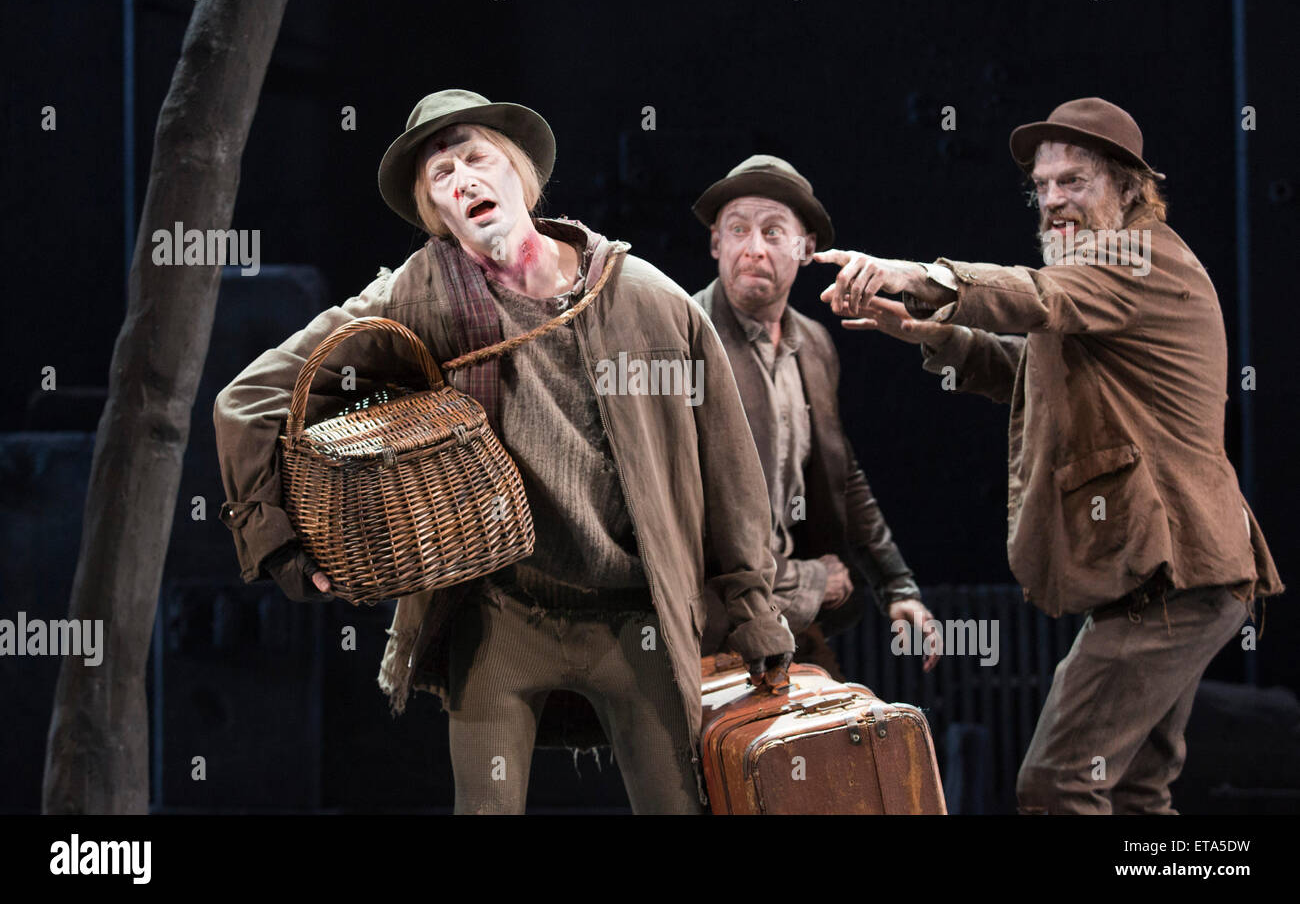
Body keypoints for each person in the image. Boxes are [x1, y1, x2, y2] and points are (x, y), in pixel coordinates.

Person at [213, 89, 794, 813]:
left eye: (475, 159)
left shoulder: (644, 297)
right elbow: (250, 399)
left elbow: (729, 463)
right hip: (502, 613)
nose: (463, 181)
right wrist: (280, 546)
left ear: (520, 176)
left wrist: (751, 605)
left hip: (635, 613)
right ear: (439, 215)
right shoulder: (420, 297)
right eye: (441, 178)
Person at [818, 97, 1284, 813]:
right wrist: (928, 334)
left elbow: (1033, 296)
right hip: (1177, 581)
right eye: (1042, 186)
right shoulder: (1102, 283)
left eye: (1074, 181)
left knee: (1057, 785)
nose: (1053, 200)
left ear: (1129, 187)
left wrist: (916, 275)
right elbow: (1030, 368)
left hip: (1175, 581)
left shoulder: (1140, 256)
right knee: (1134, 793)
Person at [689, 155, 940, 679]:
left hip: (784, 620)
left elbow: (841, 473)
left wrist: (896, 587)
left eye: (773, 232)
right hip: (706, 624)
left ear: (806, 250)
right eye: (738, 230)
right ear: (717, 243)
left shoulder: (816, 344)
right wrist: (803, 580)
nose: (753, 248)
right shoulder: (685, 338)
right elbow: (679, 513)